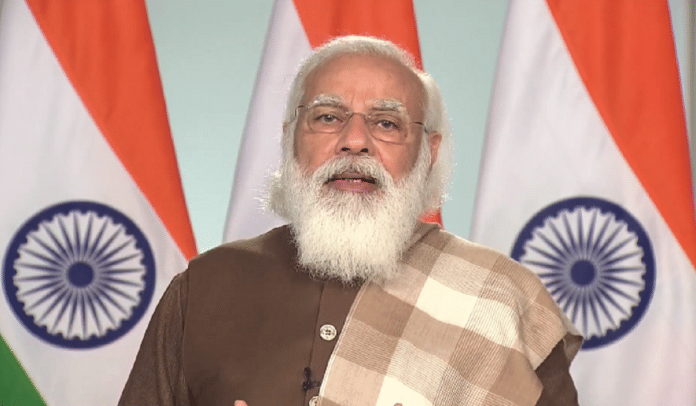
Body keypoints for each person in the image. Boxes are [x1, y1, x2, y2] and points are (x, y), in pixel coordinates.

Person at [119, 35, 582, 406]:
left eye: (386, 123)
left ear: (428, 152)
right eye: (327, 117)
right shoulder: (205, 285)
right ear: (290, 139)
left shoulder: (502, 301)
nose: (354, 140)